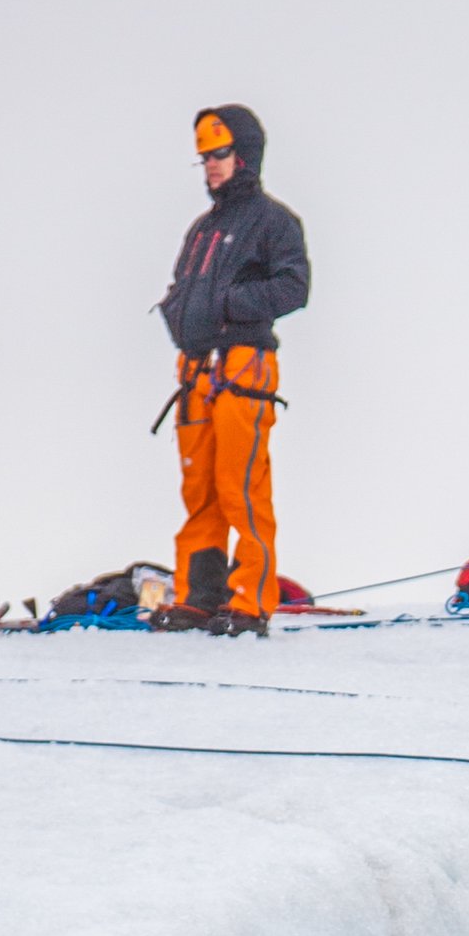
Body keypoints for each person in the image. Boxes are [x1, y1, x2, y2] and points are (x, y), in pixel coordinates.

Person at [156, 107, 309, 631]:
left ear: (245, 154)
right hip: (196, 370)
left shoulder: (274, 221)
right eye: (204, 157)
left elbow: (294, 287)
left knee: (241, 487)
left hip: (244, 366)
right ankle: (198, 598)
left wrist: (226, 305)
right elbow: (181, 286)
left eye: (220, 154)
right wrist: (178, 311)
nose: (211, 165)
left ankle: (250, 602)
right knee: (199, 492)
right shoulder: (202, 229)